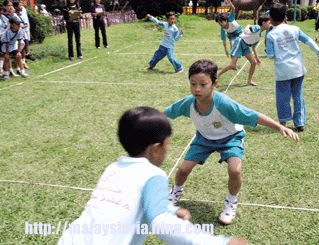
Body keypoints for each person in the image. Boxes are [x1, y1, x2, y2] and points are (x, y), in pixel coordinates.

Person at [57, 106, 249, 245]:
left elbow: (132, 199)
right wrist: (220, 243)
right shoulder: (152, 174)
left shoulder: (112, 169)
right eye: (167, 145)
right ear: (156, 148)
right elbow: (160, 224)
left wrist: (171, 210)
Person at [166, 60, 300, 225]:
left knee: (235, 170)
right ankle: (175, 192)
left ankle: (231, 201)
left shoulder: (223, 103)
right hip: (204, 138)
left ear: (215, 83)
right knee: (183, 170)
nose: (197, 89)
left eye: (203, 84)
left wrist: (279, 127)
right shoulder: (188, 103)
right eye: (193, 84)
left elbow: (252, 115)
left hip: (231, 138)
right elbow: (166, 113)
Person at [266, 3, 319, 131]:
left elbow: (270, 55)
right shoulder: (295, 29)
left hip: (283, 71)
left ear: (270, 18)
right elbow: (309, 41)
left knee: (282, 97)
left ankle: (283, 123)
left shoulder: (271, 35)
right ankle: (300, 123)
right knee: (298, 96)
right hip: (298, 69)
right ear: (285, 16)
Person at [217, 15, 272, 86]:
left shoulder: (259, 36)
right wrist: (246, 28)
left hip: (246, 45)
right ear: (264, 23)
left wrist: (257, 58)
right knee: (233, 65)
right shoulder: (258, 28)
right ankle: (217, 75)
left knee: (253, 62)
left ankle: (249, 80)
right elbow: (249, 25)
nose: (270, 25)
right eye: (269, 23)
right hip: (240, 42)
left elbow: (253, 47)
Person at [1, 16, 28, 81]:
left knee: (19, 56)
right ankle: (6, 74)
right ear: (12, 25)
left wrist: (19, 51)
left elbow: (19, 40)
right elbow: (6, 43)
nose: (19, 25)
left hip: (14, 44)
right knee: (7, 58)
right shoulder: (7, 32)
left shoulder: (20, 30)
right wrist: (7, 53)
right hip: (5, 45)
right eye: (17, 24)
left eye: (19, 24)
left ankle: (22, 72)